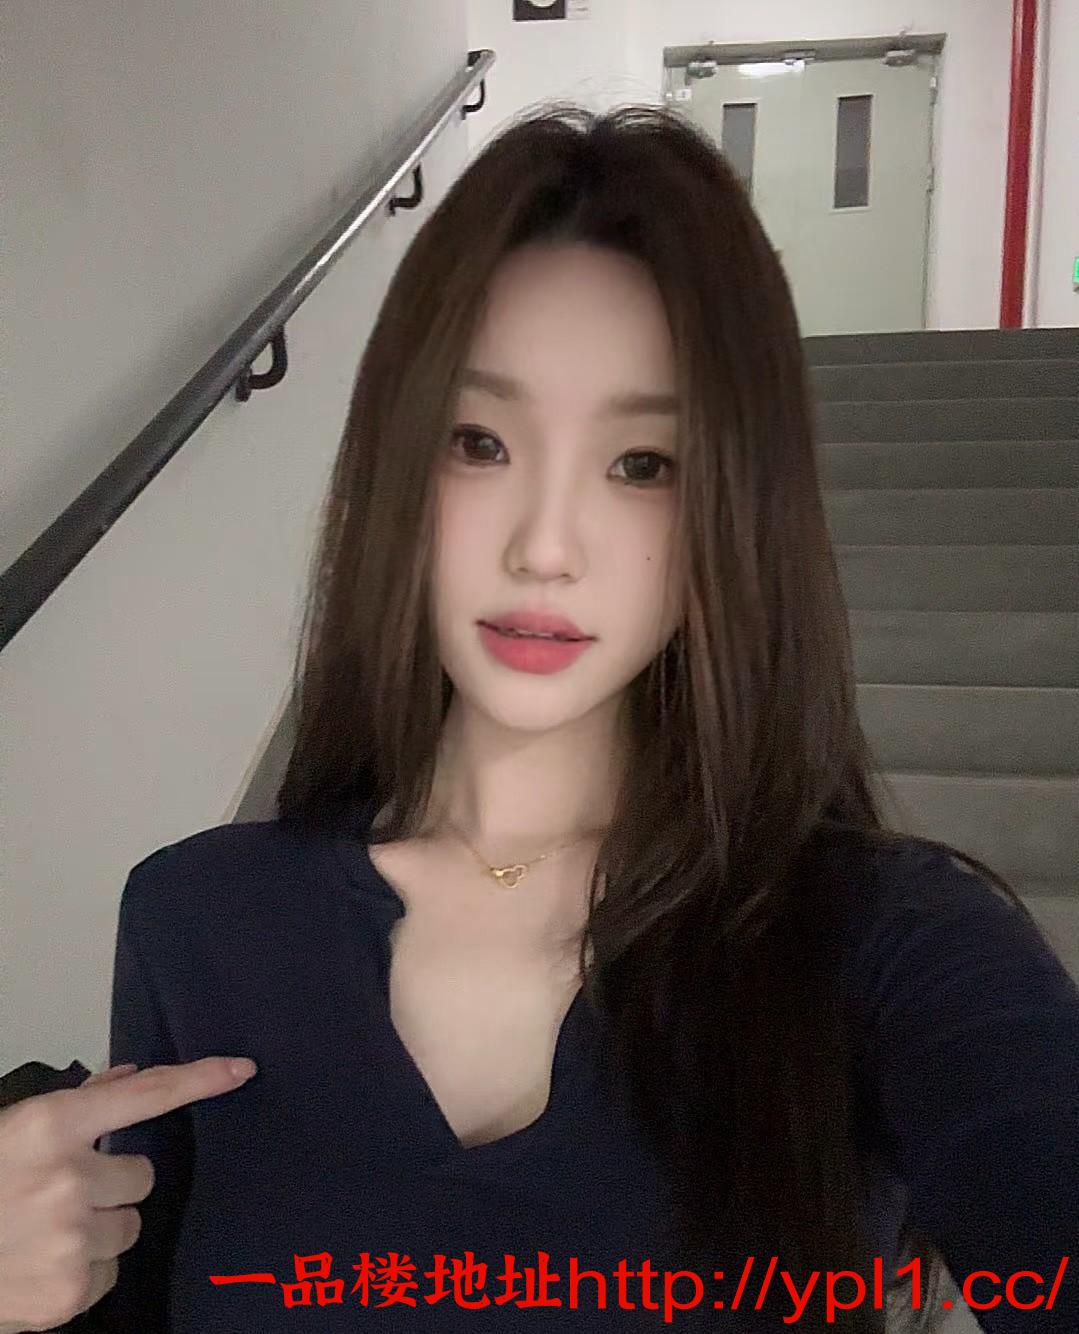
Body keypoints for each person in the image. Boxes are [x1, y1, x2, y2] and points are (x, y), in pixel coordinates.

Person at [2, 103, 1076, 1334]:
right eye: (478, 442)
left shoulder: (881, 945)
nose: (545, 545)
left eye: (641, 464)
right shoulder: (202, 916)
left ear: (734, 509)